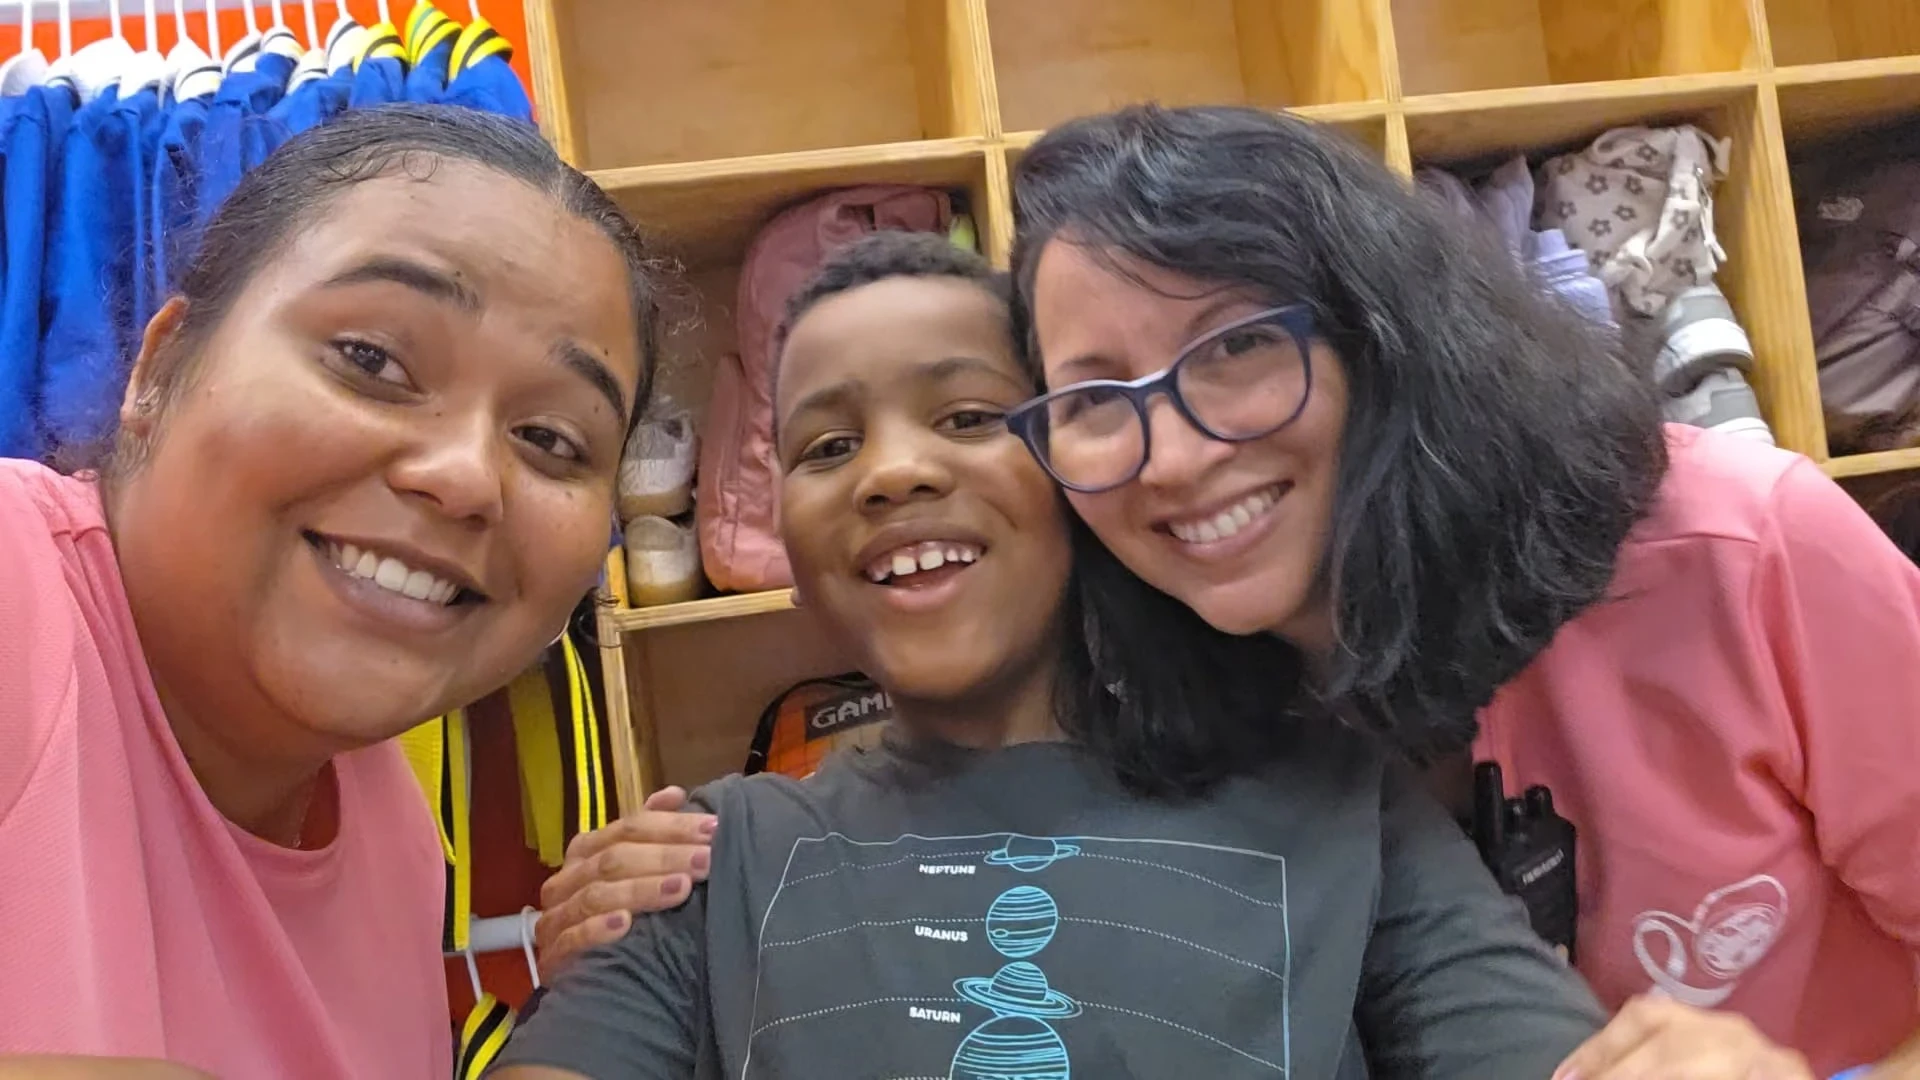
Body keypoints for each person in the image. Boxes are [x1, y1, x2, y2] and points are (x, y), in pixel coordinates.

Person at [538, 107, 1919, 1080]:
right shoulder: (1230, 689)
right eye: (1095, 396)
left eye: (1238, 347)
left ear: (1384, 332)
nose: (1179, 445)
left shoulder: (1736, 549)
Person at [489, 231, 1608, 1078]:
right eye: (827, 446)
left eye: (970, 417)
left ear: (1082, 470)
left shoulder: (1338, 806)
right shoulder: (706, 859)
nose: (890, 473)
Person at [0, 104, 663, 1078]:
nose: (466, 475)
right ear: (162, 366)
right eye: (373, 361)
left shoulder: (400, 845)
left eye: (553, 441)